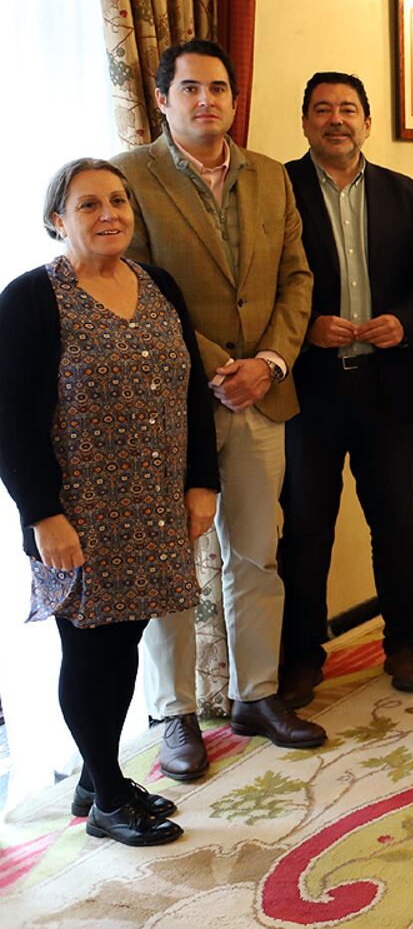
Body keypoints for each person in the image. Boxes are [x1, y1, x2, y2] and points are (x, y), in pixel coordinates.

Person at [112, 39, 322, 781]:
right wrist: (216, 368)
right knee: (171, 564)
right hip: (174, 402)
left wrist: (267, 363)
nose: (208, 101)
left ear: (235, 99)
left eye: (220, 89)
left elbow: (298, 277)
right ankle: (174, 714)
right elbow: (133, 285)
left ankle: (255, 696)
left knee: (256, 553)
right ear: (163, 98)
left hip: (263, 394)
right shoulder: (128, 177)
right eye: (191, 89)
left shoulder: (270, 175)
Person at [0, 160, 218, 845]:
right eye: (88, 204)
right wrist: (43, 515)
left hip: (155, 502)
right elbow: (9, 419)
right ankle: (106, 801)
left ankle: (99, 779)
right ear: (57, 219)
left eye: (118, 200)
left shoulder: (159, 286)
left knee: (123, 639)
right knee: (91, 648)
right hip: (77, 515)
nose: (109, 213)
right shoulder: (32, 298)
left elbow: (191, 390)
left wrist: (201, 481)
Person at [278, 72, 413, 706]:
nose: (336, 120)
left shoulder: (407, 194)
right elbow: (266, 286)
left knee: (397, 525)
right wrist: (304, 330)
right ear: (304, 123)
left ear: (368, 122)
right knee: (305, 530)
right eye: (322, 109)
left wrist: (404, 322)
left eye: (348, 109)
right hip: (311, 393)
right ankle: (301, 658)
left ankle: (405, 643)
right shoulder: (279, 190)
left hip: (389, 388)